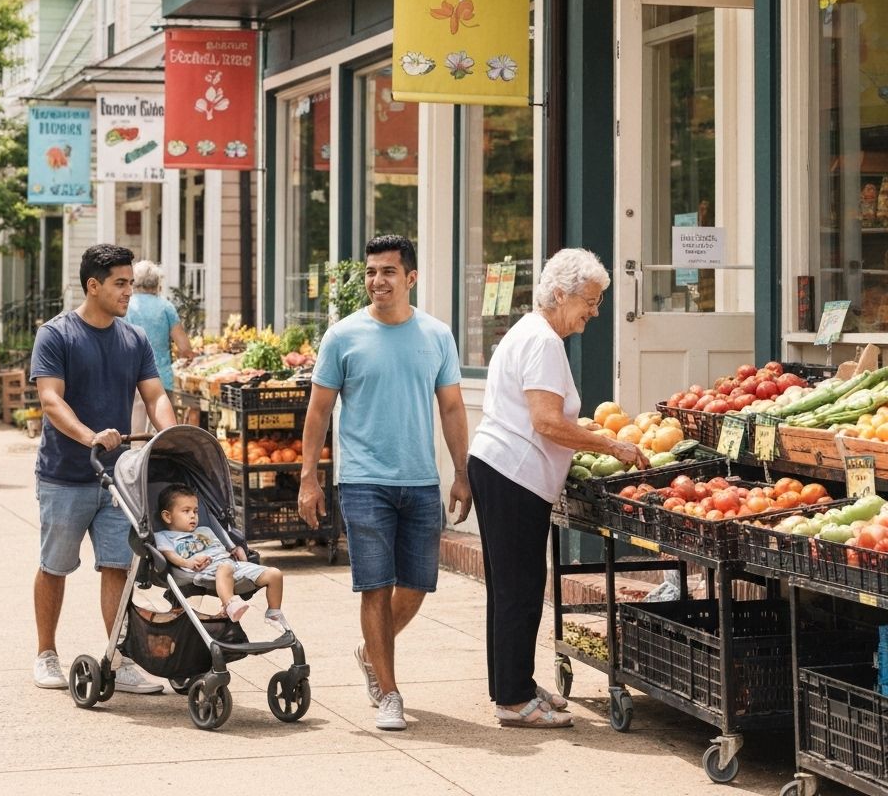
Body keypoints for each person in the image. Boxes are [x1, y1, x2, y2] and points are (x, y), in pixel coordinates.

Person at [467, 248, 648, 729]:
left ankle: (515, 684)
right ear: (561, 294)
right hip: (513, 474)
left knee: (511, 586)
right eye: (590, 300)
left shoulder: (531, 332)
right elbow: (546, 421)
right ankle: (513, 700)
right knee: (520, 588)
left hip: (501, 469)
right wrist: (609, 444)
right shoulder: (544, 342)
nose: (595, 311)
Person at [297, 234, 471, 732]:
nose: (378, 281)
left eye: (388, 271)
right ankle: (389, 691)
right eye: (372, 272)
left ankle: (371, 652)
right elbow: (319, 410)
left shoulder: (436, 335)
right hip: (363, 480)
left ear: (410, 277)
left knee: (416, 585)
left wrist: (462, 473)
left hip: (420, 479)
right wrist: (309, 478)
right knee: (375, 586)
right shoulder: (342, 336)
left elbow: (452, 407)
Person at [29, 243, 177, 692]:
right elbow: (50, 399)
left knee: (117, 568)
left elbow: (155, 395)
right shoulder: (56, 335)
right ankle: (46, 653)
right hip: (65, 476)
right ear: (93, 286)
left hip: (117, 479)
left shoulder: (133, 339)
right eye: (120, 283)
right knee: (55, 566)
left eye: (131, 282)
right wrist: (88, 435)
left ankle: (117, 657)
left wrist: (172, 438)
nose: (129, 291)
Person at [155, 484, 291, 632]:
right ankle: (229, 605)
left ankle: (273, 613)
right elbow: (169, 555)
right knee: (225, 568)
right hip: (205, 570)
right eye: (186, 511)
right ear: (167, 516)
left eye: (195, 511)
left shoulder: (205, 530)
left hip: (231, 565)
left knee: (275, 574)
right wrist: (187, 563)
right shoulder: (164, 536)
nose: (193, 515)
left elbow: (221, 550)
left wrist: (236, 551)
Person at [125, 260, 193, 436]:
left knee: (135, 435)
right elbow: (184, 347)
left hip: (131, 377)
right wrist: (188, 358)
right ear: (157, 283)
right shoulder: (166, 307)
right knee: (162, 437)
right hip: (161, 378)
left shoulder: (126, 306)